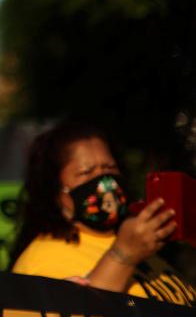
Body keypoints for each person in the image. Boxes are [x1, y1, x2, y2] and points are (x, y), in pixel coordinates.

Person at [10, 121, 196, 306]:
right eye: (86, 173)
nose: (105, 182)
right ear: (56, 192)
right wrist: (124, 255)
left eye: (109, 168)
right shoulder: (43, 261)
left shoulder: (137, 244)